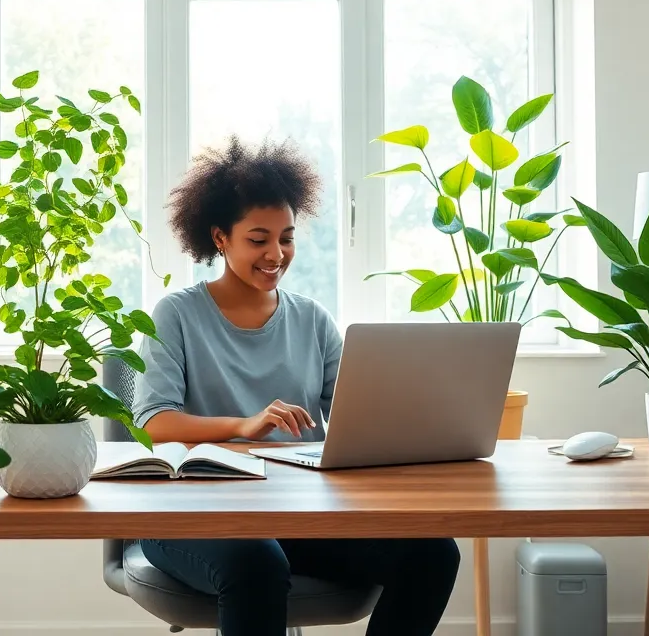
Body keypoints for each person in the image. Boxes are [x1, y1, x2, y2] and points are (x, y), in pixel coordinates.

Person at [131, 136, 460, 636]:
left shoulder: (313, 319)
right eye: (258, 239)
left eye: (286, 237)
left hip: (300, 512)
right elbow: (153, 424)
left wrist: (420, 417)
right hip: (194, 513)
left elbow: (359, 418)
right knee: (256, 562)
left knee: (433, 553)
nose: (276, 254)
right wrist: (245, 424)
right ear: (220, 238)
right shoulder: (176, 314)